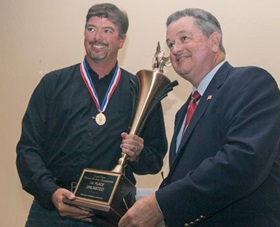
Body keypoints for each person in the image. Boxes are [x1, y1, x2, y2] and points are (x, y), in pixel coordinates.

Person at [119, 8, 280, 227]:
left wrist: (160, 205)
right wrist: (134, 201)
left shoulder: (250, 82)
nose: (175, 49)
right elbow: (184, 177)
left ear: (214, 41)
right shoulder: (184, 112)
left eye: (184, 38)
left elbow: (241, 164)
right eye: (170, 44)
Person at [16, 3, 168, 226]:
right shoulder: (52, 84)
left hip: (110, 215)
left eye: (107, 30)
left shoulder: (141, 90)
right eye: (91, 28)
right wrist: (51, 192)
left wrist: (138, 153)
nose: (97, 37)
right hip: (50, 211)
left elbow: (154, 160)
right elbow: (27, 150)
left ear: (122, 40)